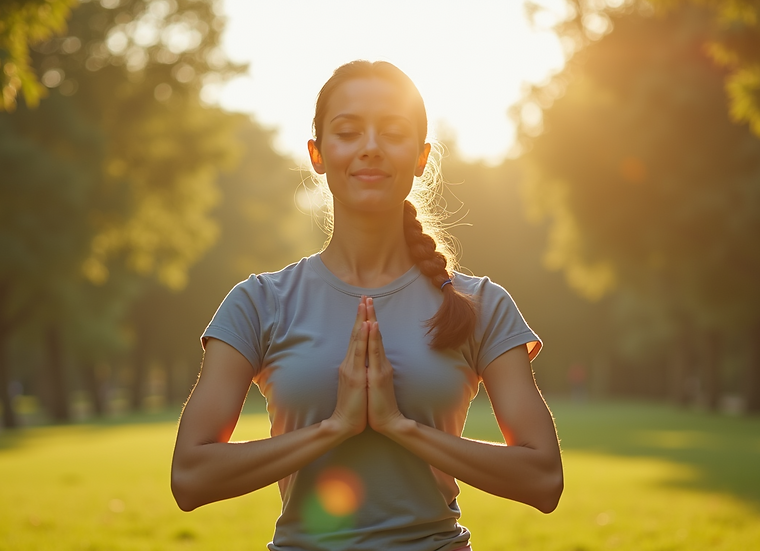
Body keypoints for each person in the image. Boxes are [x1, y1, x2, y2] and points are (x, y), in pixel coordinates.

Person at [171, 60, 563, 551]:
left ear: (421, 158)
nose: (371, 147)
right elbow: (190, 476)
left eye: (393, 132)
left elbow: (543, 478)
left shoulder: (481, 304)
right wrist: (334, 427)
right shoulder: (259, 302)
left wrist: (401, 427)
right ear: (317, 154)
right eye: (348, 131)